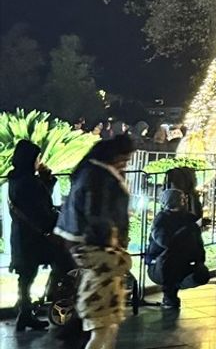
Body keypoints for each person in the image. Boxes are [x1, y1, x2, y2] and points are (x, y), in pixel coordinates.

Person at [55, 135, 136, 349]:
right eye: (124, 159)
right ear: (115, 155)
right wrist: (110, 240)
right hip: (99, 249)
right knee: (102, 328)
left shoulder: (92, 172)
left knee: (106, 327)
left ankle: (72, 332)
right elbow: (97, 213)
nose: (125, 164)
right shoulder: (99, 176)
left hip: (95, 248)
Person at [7, 139, 73, 331]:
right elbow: (42, 208)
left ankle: (25, 313)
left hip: (22, 234)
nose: (38, 161)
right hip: (36, 237)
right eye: (37, 158)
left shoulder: (16, 178)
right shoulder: (29, 182)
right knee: (62, 263)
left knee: (26, 276)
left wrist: (45, 181)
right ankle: (54, 300)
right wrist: (56, 222)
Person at [145, 189, 209, 309]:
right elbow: (167, 242)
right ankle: (169, 295)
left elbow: (197, 242)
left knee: (201, 274)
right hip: (160, 264)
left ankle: (175, 286)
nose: (184, 201)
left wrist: (200, 260)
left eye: (184, 198)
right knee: (172, 257)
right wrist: (192, 227)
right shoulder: (162, 219)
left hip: (184, 261)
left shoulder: (189, 218)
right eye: (181, 199)